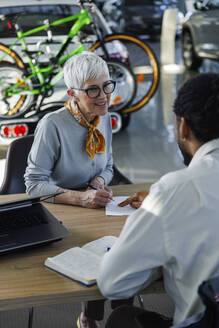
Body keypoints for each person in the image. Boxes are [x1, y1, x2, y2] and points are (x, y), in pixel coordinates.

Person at [97, 73, 219, 328]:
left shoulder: (174, 191)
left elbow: (113, 283)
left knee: (121, 319)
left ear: (183, 126)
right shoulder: (175, 193)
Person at [24, 52, 132, 328]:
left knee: (123, 255)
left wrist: (98, 183)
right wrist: (81, 197)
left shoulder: (102, 115)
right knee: (95, 255)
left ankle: (124, 317)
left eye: (107, 85)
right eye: (93, 89)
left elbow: (108, 165)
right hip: (62, 206)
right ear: (72, 93)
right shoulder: (53, 125)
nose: (104, 95)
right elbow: (33, 185)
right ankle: (90, 316)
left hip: (94, 201)